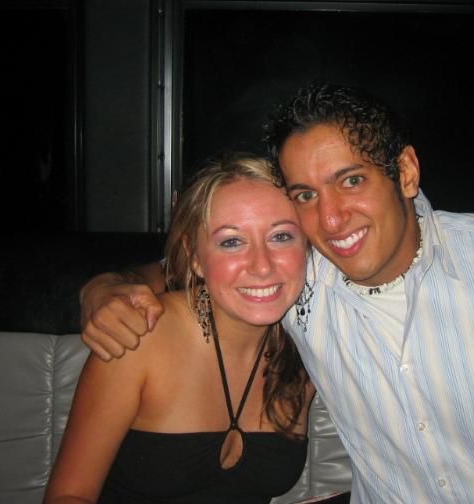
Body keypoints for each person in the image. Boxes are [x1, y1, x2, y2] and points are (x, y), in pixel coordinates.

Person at [79, 83, 474, 503]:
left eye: (352, 180)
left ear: (405, 172)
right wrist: (107, 288)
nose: (332, 219)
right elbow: (201, 264)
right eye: (305, 195)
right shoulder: (295, 278)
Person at [46, 154, 316, 503]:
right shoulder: (144, 335)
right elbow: (69, 495)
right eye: (231, 242)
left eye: (281, 236)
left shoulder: (308, 351)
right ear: (195, 257)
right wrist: (102, 285)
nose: (262, 266)